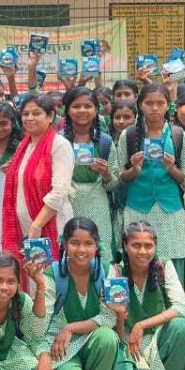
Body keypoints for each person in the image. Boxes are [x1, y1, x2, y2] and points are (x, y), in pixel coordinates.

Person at [106, 220, 185, 370]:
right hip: (127, 339)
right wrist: (120, 315)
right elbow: (113, 325)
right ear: (125, 246)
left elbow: (181, 306)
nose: (142, 251)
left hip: (157, 338)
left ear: (155, 246)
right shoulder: (116, 271)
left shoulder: (163, 266)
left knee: (180, 325)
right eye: (136, 245)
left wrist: (142, 325)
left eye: (148, 246)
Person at [44, 218, 124, 370]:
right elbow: (42, 318)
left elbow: (109, 317)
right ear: (64, 244)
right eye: (74, 243)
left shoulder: (108, 271)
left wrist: (71, 328)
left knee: (108, 337)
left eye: (88, 243)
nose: (81, 250)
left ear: (97, 246)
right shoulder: (52, 273)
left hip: (92, 339)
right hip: (60, 342)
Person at [117, 84, 185, 271]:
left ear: (168, 105)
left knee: (171, 265)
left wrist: (172, 169)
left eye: (160, 103)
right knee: (137, 263)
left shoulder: (178, 135)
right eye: (149, 103)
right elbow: (118, 179)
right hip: (137, 210)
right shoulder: (129, 135)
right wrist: (134, 170)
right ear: (140, 105)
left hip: (171, 211)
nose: (155, 108)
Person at [1, 92, 73, 269]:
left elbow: (59, 192)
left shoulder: (59, 145)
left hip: (49, 225)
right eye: (25, 114)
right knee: (29, 275)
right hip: (25, 227)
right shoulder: (24, 145)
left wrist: (37, 225)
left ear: (50, 116)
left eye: (36, 113)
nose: (29, 118)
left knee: (48, 277)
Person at [60, 87, 117, 260]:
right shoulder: (58, 141)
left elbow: (114, 183)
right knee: (70, 252)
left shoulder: (105, 142)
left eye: (88, 106)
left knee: (99, 254)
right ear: (67, 110)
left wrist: (106, 174)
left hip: (98, 206)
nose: (82, 111)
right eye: (76, 106)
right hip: (67, 205)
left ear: (96, 110)